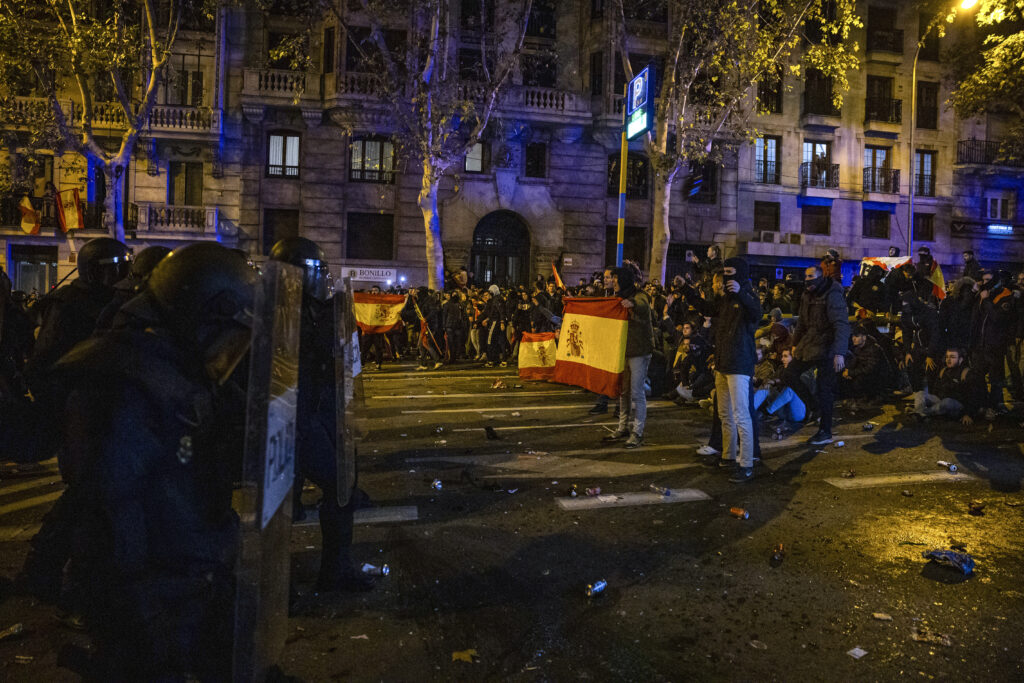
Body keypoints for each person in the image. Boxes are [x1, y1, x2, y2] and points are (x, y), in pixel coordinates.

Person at [51, 243, 256, 679]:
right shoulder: (123, 376)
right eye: (225, 336)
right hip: (148, 597)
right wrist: (145, 617)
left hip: (194, 578)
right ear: (198, 314)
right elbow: (113, 510)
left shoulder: (181, 364)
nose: (228, 353)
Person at [270, 237, 375, 592]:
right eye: (317, 271)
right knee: (316, 494)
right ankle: (304, 580)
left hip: (318, 413)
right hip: (290, 419)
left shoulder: (324, 310)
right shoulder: (275, 314)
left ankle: (332, 570)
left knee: (336, 486)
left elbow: (344, 364)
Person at [679, 258, 761, 482]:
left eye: (731, 273)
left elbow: (756, 314)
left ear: (741, 274)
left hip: (739, 365)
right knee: (724, 413)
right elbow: (707, 308)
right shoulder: (724, 299)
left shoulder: (748, 296)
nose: (727, 278)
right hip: (723, 363)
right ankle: (728, 456)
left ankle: (746, 463)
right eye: (725, 274)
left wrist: (741, 294)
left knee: (741, 415)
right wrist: (686, 289)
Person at [24, 237, 131, 390]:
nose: (124, 276)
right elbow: (43, 361)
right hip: (70, 399)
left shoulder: (115, 302)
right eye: (120, 268)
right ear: (96, 271)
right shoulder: (66, 304)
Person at [791, 264, 850, 445]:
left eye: (811, 276)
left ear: (820, 276)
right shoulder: (808, 294)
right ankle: (815, 407)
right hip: (810, 344)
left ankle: (825, 431)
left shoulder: (832, 294)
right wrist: (795, 344)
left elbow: (841, 324)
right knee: (789, 374)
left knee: (825, 389)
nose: (807, 280)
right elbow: (802, 321)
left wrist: (839, 352)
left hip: (829, 347)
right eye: (806, 276)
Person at [603, 261, 654, 448]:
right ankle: (622, 427)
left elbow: (642, 305)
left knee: (636, 392)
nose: (612, 282)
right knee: (623, 392)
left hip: (639, 351)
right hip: (623, 350)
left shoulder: (640, 296)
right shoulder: (616, 297)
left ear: (624, 280)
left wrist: (631, 303)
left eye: (615, 279)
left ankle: (637, 432)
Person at [911, 348, 984, 424]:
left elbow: (974, 397)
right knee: (920, 394)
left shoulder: (966, 373)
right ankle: (921, 414)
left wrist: (968, 414)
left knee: (947, 402)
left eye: (952, 357)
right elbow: (936, 391)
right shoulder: (943, 371)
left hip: (958, 407)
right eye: (947, 357)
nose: (949, 359)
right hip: (941, 402)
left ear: (960, 360)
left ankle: (921, 414)